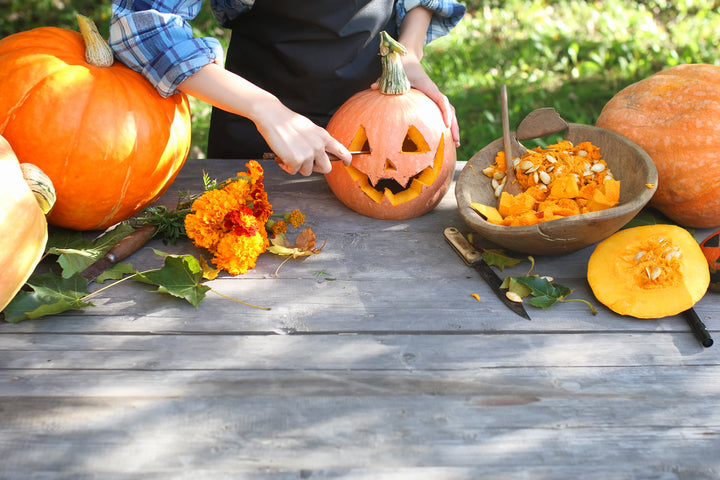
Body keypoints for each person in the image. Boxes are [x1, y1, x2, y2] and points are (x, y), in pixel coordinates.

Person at [109, 0, 466, 176]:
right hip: (255, 127)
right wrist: (264, 109)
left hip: (376, 117)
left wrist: (409, 52)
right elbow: (144, 26)